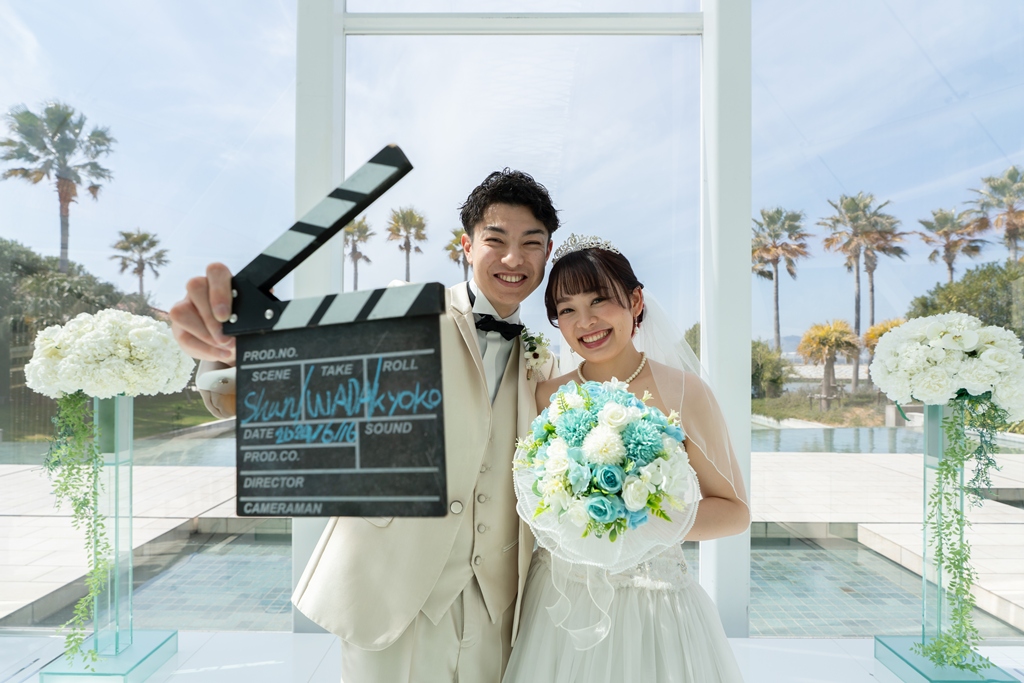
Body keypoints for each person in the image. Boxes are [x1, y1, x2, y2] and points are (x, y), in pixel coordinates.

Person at [169, 169, 561, 682]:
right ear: (466, 246)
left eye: (531, 244)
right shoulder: (406, 312)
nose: (514, 259)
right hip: (392, 590)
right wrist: (228, 348)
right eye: (496, 240)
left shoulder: (544, 363)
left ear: (546, 254)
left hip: (497, 602)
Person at [502, 236, 749, 683]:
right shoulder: (546, 397)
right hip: (561, 603)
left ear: (635, 301)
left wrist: (638, 519)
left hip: (654, 605)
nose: (586, 321)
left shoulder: (686, 392)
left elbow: (735, 512)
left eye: (601, 301)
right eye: (567, 309)